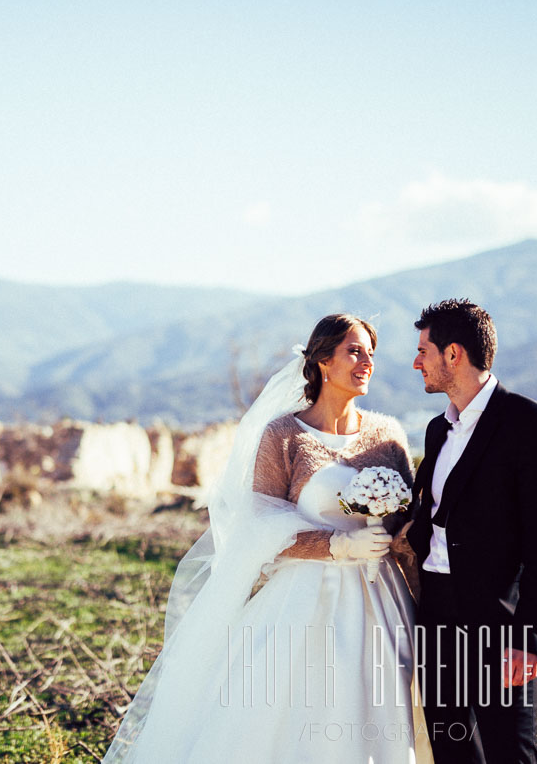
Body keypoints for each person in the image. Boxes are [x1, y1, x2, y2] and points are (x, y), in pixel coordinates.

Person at [104, 314, 433, 763]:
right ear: (321, 361)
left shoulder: (389, 434)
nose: (366, 363)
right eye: (354, 351)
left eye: (370, 354)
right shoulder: (283, 436)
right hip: (302, 602)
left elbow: (407, 521)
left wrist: (395, 539)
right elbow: (258, 528)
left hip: (382, 602)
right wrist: (335, 546)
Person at [407, 299, 537, 763]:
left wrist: (530, 638)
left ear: (453, 354)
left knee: (508, 754)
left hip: (500, 625)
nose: (416, 362)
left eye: (424, 350)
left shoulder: (528, 422)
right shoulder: (438, 430)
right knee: (451, 752)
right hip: (436, 617)